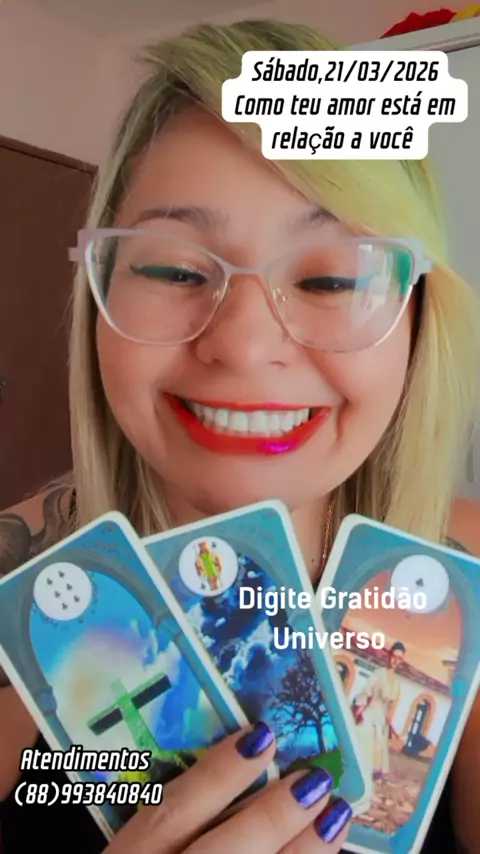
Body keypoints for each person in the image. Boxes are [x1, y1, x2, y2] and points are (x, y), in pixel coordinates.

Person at [1, 18, 480, 854]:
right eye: (175, 269)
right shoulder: (19, 590)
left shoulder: (466, 580)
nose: (245, 345)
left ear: (418, 321)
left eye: (332, 277)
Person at [353, 642, 406, 781]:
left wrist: (390, 723)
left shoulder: (397, 682)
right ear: (389, 655)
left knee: (375, 760)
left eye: (399, 658)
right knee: (361, 750)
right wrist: (357, 714)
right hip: (369, 715)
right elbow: (365, 692)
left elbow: (392, 705)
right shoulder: (379, 673)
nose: (395, 660)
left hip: (381, 721)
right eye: (394, 656)